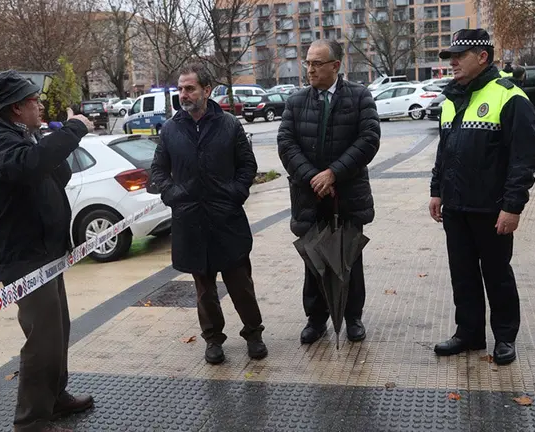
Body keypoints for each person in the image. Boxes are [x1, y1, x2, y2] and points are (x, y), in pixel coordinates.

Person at [0, 70, 95, 432]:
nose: (40, 106)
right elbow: (29, 167)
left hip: (47, 253)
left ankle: (54, 398)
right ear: (16, 108)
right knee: (42, 340)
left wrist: (49, 144)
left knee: (58, 332)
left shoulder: (23, 138)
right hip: (24, 258)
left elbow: (56, 174)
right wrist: (72, 130)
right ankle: (31, 421)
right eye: (34, 101)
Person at [430, 29, 535, 366]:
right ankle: (469, 333)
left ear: (482, 57)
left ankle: (505, 337)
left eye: (458, 56)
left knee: (497, 275)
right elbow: (444, 152)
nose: (452, 63)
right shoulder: (451, 100)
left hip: (491, 210)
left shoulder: (510, 97)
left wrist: (512, 206)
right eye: (450, 57)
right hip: (455, 207)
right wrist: (436, 191)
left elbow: (524, 158)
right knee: (462, 274)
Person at [150, 63, 267, 365]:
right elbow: (158, 170)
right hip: (191, 222)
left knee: (240, 285)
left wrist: (235, 194)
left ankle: (254, 334)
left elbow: (247, 165)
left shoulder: (228, 124)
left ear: (206, 90)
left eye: (190, 88)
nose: (183, 94)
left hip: (227, 221)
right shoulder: (171, 129)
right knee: (204, 290)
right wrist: (173, 195)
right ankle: (213, 339)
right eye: (180, 89)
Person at [278, 39, 381, 345]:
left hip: (347, 196)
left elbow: (369, 139)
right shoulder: (296, 102)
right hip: (310, 197)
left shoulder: (359, 96)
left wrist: (333, 173)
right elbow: (286, 143)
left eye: (317, 63)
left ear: (336, 66)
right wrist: (313, 177)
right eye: (308, 63)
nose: (310, 69)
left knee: (350, 257)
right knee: (313, 259)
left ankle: (353, 317)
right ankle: (316, 319)